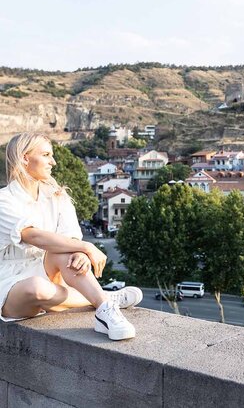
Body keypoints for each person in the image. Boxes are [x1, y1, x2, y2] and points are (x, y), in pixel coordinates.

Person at [0, 132, 142, 341]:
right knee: (36, 288)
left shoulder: (57, 195)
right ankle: (103, 298)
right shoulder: (4, 200)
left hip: (49, 269)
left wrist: (80, 252)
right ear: (24, 157)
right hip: (10, 280)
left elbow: (70, 239)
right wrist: (87, 247)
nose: (53, 162)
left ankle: (104, 308)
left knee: (66, 253)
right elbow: (33, 236)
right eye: (47, 155)